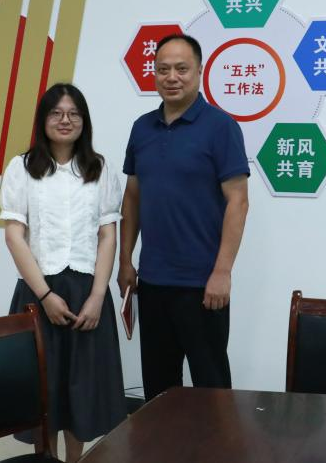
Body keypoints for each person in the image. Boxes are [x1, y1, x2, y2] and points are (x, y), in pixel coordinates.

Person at [118, 33, 250, 401]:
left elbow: (238, 202)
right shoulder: (142, 128)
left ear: (199, 71)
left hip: (203, 285)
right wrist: (125, 261)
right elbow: (132, 196)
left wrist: (222, 272)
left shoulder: (221, 127)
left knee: (211, 390)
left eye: (181, 69)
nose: (171, 77)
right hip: (152, 282)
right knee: (159, 391)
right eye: (163, 69)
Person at [0, 83, 126, 463]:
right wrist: (44, 295)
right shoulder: (22, 168)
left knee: (82, 390)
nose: (65, 120)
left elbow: (108, 235)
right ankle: (47, 459)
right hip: (38, 291)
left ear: (84, 121)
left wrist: (98, 296)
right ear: (43, 120)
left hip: (88, 291)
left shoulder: (99, 168)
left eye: (73, 113)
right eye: (56, 113)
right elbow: (14, 235)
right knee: (44, 387)